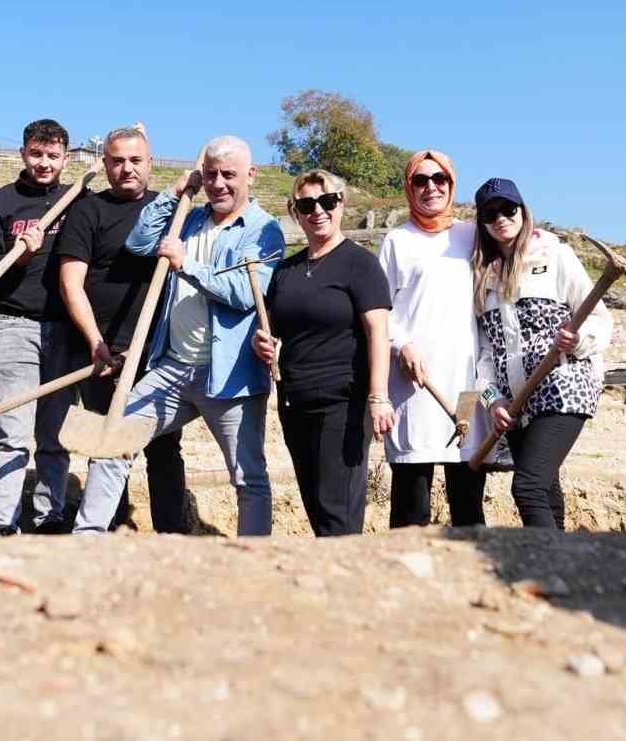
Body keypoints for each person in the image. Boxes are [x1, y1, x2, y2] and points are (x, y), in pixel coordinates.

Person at [73, 135, 284, 536]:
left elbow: (243, 293)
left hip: (230, 376)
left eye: (229, 175)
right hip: (172, 367)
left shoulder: (264, 229)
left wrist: (187, 263)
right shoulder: (188, 218)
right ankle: (87, 540)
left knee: (247, 477)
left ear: (251, 176)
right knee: (113, 441)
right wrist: (172, 193)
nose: (218, 183)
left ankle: (252, 561)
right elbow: (139, 242)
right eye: (210, 175)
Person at [56, 124, 187, 533]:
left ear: (150, 163)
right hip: (101, 353)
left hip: (158, 354)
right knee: (107, 446)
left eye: (135, 160)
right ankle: (107, 531)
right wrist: (97, 343)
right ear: (105, 163)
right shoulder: (88, 211)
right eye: (117, 161)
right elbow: (71, 283)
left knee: (164, 448)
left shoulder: (173, 212)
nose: (126, 169)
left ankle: (173, 534)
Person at [252, 169, 394, 536]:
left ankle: (348, 590)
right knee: (316, 506)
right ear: (296, 211)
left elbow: (378, 332)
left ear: (341, 204)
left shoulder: (360, 264)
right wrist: (261, 342)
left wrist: (379, 397)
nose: (318, 210)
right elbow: (270, 330)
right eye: (306, 204)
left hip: (342, 405)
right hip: (295, 404)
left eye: (327, 201)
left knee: (338, 515)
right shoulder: (286, 271)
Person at [470, 177, 611, 529]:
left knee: (528, 487)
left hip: (563, 387)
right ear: (482, 223)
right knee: (546, 492)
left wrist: (577, 341)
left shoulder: (556, 255)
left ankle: (545, 573)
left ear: (522, 210)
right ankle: (565, 568)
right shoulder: (483, 276)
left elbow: (599, 319)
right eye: (490, 213)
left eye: (508, 209)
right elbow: (486, 353)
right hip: (518, 402)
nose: (501, 217)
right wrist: (494, 401)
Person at [0, 118, 79, 535]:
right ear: (22, 153)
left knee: (54, 435)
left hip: (65, 329)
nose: (44, 163)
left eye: (53, 156)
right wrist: (18, 256)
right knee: (11, 433)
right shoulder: (0, 204)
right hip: (13, 325)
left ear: (66, 158)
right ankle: (2, 522)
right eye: (36, 154)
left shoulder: (78, 201)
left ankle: (50, 516)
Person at [376, 149, 489, 528]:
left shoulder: (472, 236)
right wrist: (402, 344)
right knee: (412, 502)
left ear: (452, 184)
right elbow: (380, 310)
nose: (431, 187)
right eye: (420, 180)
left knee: (469, 501)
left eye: (439, 179)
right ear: (410, 187)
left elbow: (515, 244)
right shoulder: (396, 241)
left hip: (466, 383)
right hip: (413, 384)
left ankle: (473, 582)